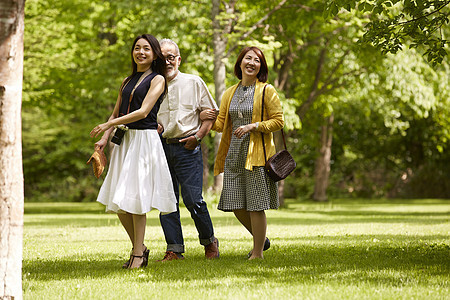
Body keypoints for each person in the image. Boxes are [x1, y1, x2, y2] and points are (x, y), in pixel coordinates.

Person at [90, 34, 177, 269]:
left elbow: (142, 111)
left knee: (136, 200)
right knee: (118, 202)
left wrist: (109, 125)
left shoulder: (158, 79)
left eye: (146, 49)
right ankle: (140, 248)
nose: (141, 52)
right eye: (137, 48)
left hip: (144, 141)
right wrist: (105, 137)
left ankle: (138, 255)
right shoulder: (127, 80)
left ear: (154, 53)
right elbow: (116, 112)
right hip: (123, 142)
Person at [202, 46, 284, 260]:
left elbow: (279, 121)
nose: (251, 62)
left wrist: (253, 126)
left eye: (257, 60)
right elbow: (221, 125)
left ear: (261, 67)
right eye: (248, 58)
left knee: (256, 205)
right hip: (233, 154)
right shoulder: (230, 92)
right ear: (240, 63)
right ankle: (262, 239)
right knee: (235, 204)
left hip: (256, 155)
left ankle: (257, 252)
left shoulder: (267, 90)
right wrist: (206, 116)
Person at [156, 38, 219, 261]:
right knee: (166, 200)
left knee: (193, 199)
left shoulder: (193, 82)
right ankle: (174, 249)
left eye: (170, 57)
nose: (167, 61)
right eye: (162, 57)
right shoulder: (153, 85)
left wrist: (198, 136)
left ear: (179, 59)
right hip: (161, 148)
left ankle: (209, 242)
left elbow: (211, 113)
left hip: (188, 147)